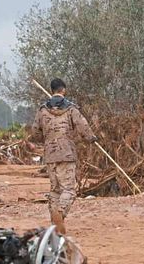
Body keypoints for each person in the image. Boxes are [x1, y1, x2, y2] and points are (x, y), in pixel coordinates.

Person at [30, 78, 97, 234]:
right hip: (66, 153)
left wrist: (46, 138)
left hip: (50, 155)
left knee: (55, 190)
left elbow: (34, 131)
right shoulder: (71, 109)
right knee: (69, 190)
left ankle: (54, 223)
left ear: (52, 90)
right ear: (63, 90)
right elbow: (82, 126)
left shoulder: (42, 110)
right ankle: (60, 213)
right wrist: (91, 138)